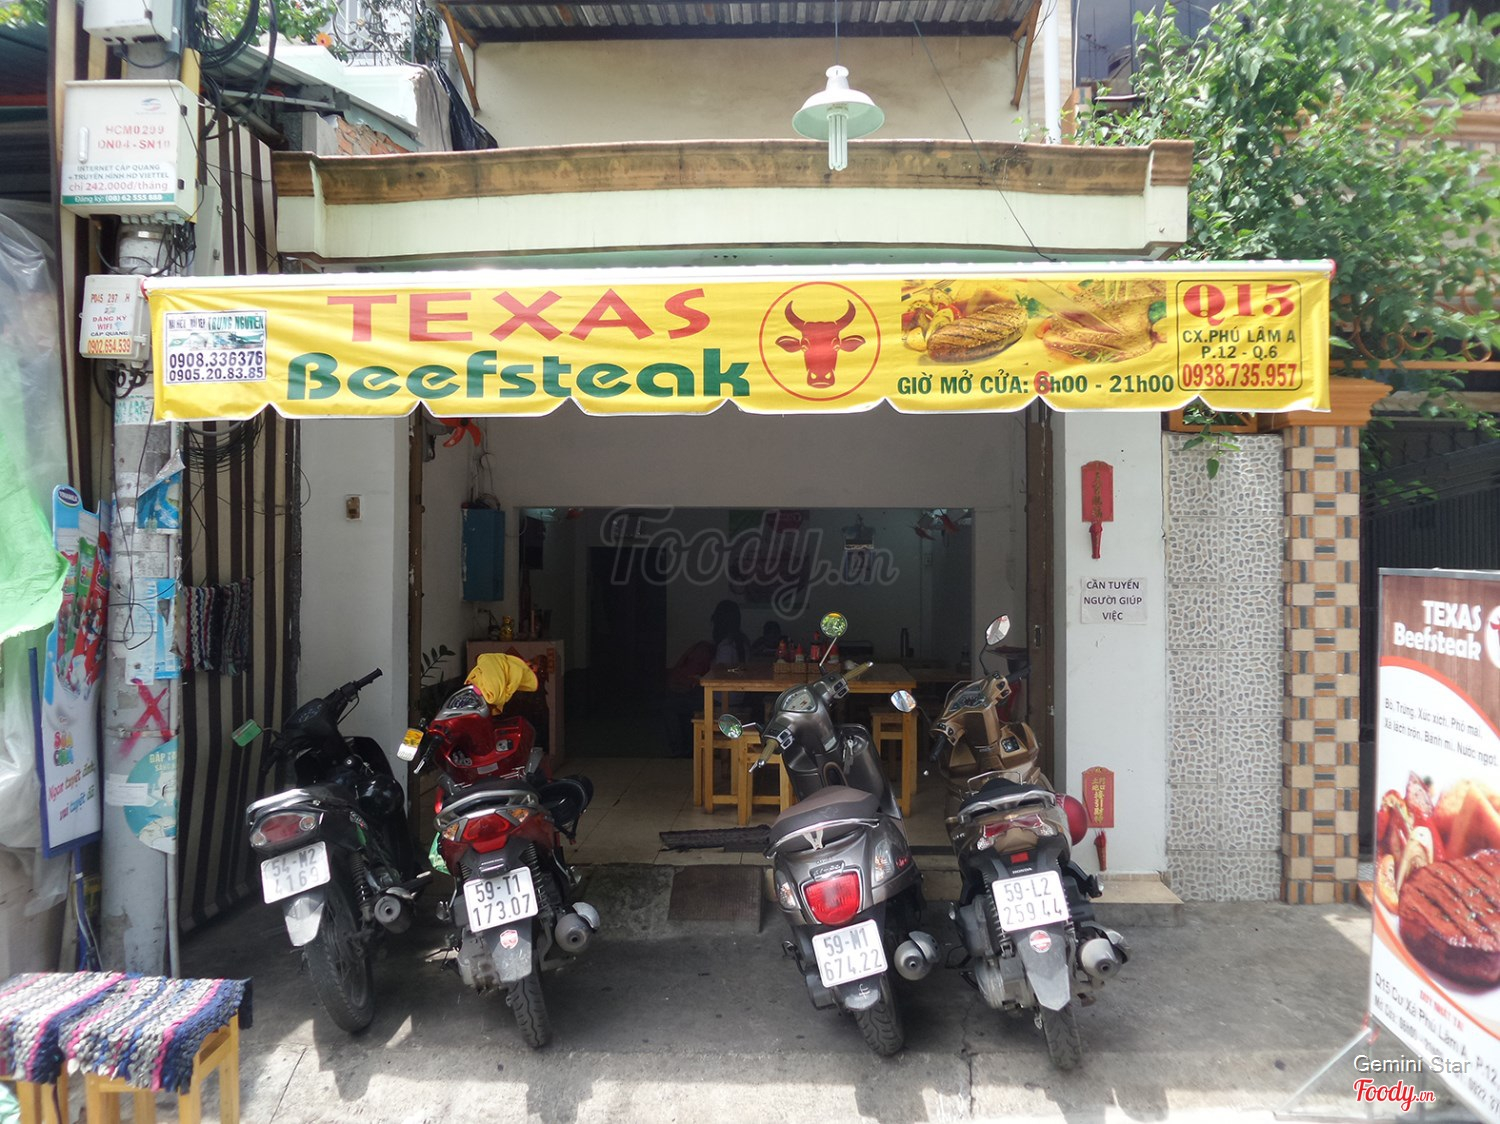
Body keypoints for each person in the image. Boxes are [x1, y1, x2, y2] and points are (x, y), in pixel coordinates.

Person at [663, 599, 747, 757]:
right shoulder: (742, 643)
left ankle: (680, 750)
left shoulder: (725, 647)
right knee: (685, 700)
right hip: (737, 697)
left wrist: (697, 679)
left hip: (722, 700)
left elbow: (718, 677)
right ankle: (688, 746)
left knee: (670, 705)